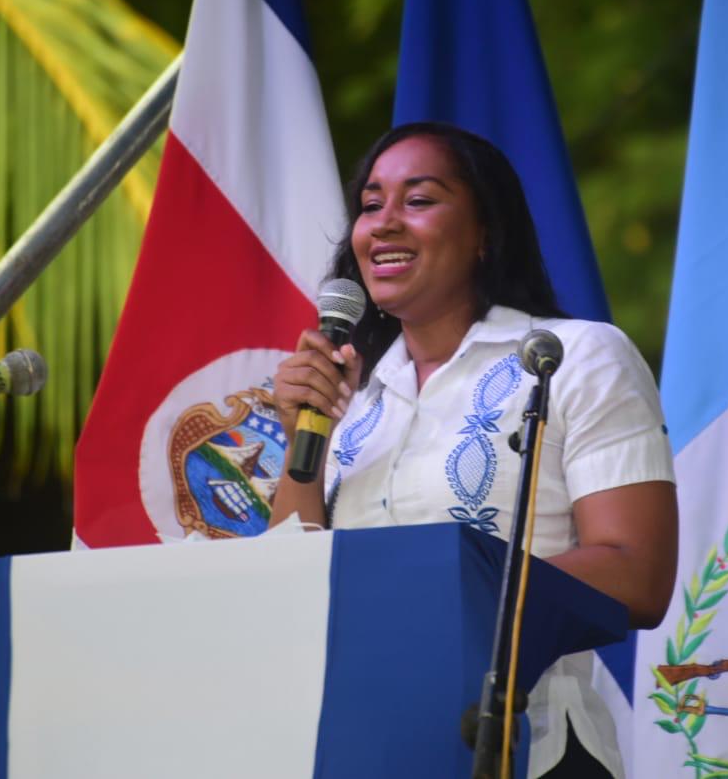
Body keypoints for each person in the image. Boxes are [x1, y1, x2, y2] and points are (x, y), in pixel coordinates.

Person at [270, 122, 678, 778]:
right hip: (367, 744)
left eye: (420, 200)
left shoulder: (574, 356)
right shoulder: (357, 401)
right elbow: (293, 587)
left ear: (486, 230)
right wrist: (303, 438)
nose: (385, 223)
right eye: (371, 204)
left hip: (529, 746)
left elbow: (638, 571)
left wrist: (443, 581)